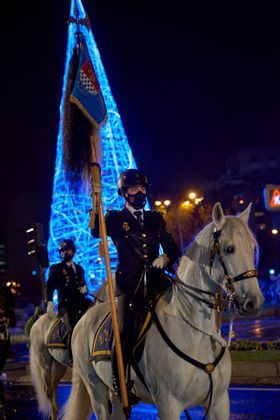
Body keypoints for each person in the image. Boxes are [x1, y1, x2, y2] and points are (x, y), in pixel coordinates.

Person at [91, 168, 179, 401]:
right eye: (133, 189)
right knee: (122, 329)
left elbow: (172, 248)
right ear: (124, 193)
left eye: (142, 188)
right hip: (130, 283)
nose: (139, 192)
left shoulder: (155, 218)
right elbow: (94, 231)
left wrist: (166, 258)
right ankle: (120, 380)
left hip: (157, 280)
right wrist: (95, 198)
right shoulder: (115, 218)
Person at [46, 239, 92, 362]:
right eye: (62, 252)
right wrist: (49, 302)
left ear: (72, 252)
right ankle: (74, 359)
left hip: (81, 303)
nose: (64, 254)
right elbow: (49, 286)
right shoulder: (57, 269)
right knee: (71, 329)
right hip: (65, 305)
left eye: (67, 251)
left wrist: (85, 289)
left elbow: (83, 284)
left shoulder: (79, 268)